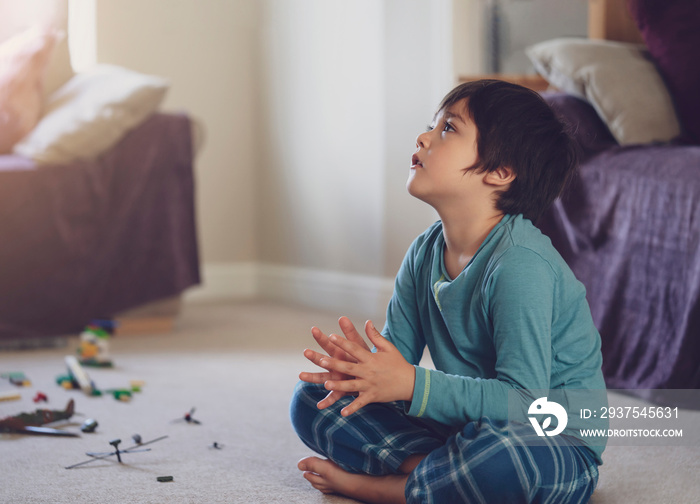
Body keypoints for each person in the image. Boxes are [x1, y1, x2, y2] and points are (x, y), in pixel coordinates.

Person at [290, 79, 607, 504]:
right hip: (464, 428)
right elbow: (396, 363)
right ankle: (432, 472)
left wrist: (412, 384)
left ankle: (383, 489)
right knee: (313, 399)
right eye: (431, 127)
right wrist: (359, 371)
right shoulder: (425, 251)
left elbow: (523, 402)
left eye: (448, 129)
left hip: (551, 440)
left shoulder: (521, 265)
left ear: (501, 172)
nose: (423, 137)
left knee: (501, 459)